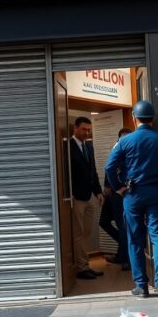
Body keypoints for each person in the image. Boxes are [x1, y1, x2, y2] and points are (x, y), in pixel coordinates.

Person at [105, 101, 158, 302]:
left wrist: (119, 187)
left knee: (135, 240)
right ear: (152, 118)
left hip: (133, 194)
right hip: (157, 192)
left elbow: (109, 168)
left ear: (134, 117)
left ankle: (141, 286)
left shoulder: (125, 141)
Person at [69, 116, 105, 280]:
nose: (87, 132)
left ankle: (85, 264)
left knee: (87, 232)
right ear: (75, 128)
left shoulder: (88, 146)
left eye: (89, 130)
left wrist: (98, 192)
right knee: (78, 233)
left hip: (90, 196)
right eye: (84, 129)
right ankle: (81, 268)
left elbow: (93, 171)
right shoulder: (67, 146)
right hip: (76, 197)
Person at [100, 127, 133, 271]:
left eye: (127, 137)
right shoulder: (116, 148)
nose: (124, 140)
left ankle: (125, 258)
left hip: (122, 194)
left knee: (123, 227)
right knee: (104, 222)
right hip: (112, 193)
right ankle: (123, 249)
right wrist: (107, 185)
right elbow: (109, 168)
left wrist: (119, 188)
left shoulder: (131, 152)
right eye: (122, 138)